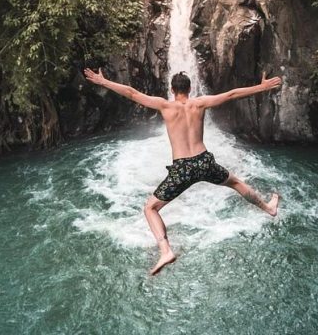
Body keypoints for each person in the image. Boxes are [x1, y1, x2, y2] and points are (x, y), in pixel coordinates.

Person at [84, 68, 282, 275]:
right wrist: (262, 87)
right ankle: (268, 208)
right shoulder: (200, 103)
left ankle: (166, 251)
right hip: (204, 161)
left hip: (182, 168)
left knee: (150, 208)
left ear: (171, 90)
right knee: (235, 183)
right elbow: (232, 94)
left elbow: (132, 93)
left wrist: (103, 82)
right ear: (191, 88)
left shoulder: (165, 105)